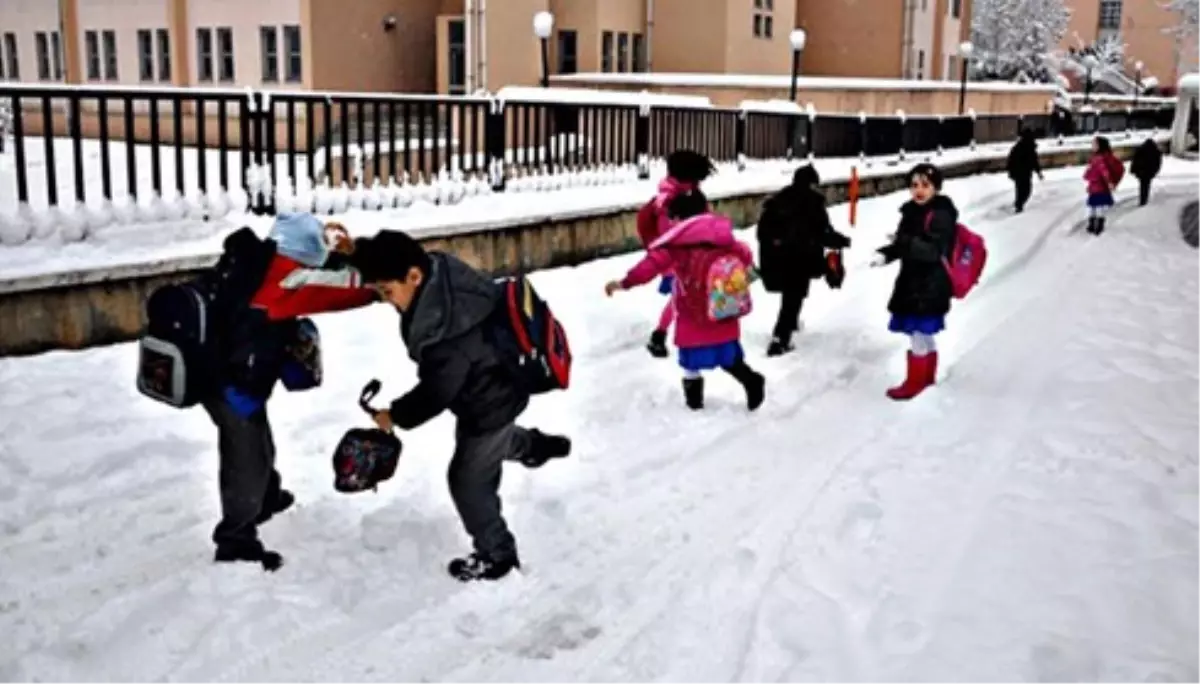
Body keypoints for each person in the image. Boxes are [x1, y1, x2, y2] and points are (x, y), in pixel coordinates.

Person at [345, 230, 572, 582]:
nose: (388, 301)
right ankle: (536, 446)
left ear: (414, 277)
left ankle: (497, 555)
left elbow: (436, 393)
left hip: (488, 404)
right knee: (491, 445)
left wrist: (395, 416)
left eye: (388, 292)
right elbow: (392, 250)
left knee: (467, 480)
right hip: (498, 385)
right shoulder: (441, 275)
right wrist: (355, 251)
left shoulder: (447, 334)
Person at [206, 214, 378, 571]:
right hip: (230, 381)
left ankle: (267, 497)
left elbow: (323, 272)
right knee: (245, 454)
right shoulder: (287, 281)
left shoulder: (259, 262)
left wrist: (343, 249)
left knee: (255, 436)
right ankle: (235, 538)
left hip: (225, 369)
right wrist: (376, 276)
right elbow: (351, 290)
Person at [606, 190, 765, 411]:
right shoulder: (722, 237)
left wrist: (625, 282)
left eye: (673, 218)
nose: (670, 223)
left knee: (690, 360)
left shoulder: (676, 245)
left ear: (680, 218)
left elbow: (650, 266)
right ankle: (751, 380)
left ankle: (694, 404)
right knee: (728, 355)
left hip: (692, 312)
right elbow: (745, 255)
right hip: (723, 307)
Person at [869, 163, 958, 401]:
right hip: (913, 281)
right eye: (914, 185)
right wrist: (886, 253)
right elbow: (904, 244)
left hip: (931, 284)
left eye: (925, 185)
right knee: (920, 333)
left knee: (918, 331)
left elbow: (933, 250)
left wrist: (905, 242)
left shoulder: (941, 214)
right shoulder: (910, 212)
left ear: (936, 188)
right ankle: (926, 377)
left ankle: (915, 381)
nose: (919, 190)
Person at [756, 164, 851, 357]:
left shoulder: (778, 200)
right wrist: (842, 241)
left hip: (776, 259)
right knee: (793, 298)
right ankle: (780, 339)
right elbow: (823, 232)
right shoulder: (813, 203)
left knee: (792, 297)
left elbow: (762, 233)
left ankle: (790, 326)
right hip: (799, 259)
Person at [637, 150, 717, 359]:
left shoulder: (690, 192)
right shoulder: (668, 201)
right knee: (681, 296)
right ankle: (661, 336)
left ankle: (661, 335)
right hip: (676, 259)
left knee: (683, 296)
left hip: (692, 257)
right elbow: (669, 234)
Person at [1083, 135, 1125, 235]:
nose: (1092, 146)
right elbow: (1092, 170)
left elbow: (1104, 172)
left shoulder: (1099, 159)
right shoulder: (1096, 157)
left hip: (1099, 187)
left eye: (1094, 144)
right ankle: (1094, 224)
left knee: (1097, 207)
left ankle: (1097, 225)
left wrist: (1109, 182)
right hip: (1095, 187)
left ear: (1100, 146)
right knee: (1093, 207)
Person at [1005, 128, 1044, 213]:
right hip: (1024, 172)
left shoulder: (1018, 147)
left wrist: (1010, 171)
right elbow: (1034, 161)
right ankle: (1019, 204)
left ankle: (1019, 203)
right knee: (1026, 190)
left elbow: (1010, 160)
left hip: (1019, 172)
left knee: (1020, 189)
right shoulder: (1028, 148)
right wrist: (1039, 172)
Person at [1130, 138, 1163, 207]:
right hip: (1149, 172)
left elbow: (1134, 161)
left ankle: (1142, 199)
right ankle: (1144, 199)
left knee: (1142, 185)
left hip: (1140, 172)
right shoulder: (1156, 152)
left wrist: (1133, 170)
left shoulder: (1140, 150)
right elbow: (1158, 164)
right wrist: (1155, 172)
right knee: (1146, 185)